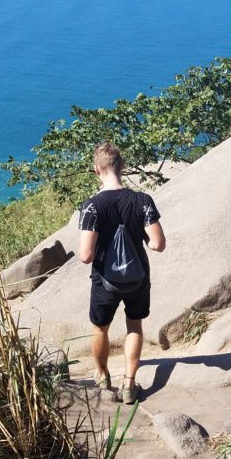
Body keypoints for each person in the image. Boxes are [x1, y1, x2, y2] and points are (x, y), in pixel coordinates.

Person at [77, 143, 166, 404]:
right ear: (122, 167)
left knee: (100, 328)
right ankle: (129, 384)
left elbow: (85, 256)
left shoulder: (92, 206)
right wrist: (144, 242)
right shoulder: (142, 200)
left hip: (105, 281)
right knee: (134, 325)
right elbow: (158, 244)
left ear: (97, 170)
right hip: (137, 278)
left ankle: (103, 376)